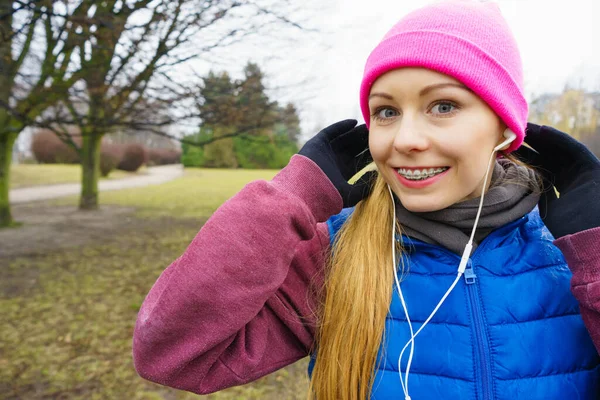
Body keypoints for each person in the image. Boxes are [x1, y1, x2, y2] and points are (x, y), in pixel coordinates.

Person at [132, 1, 600, 399]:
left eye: (443, 106)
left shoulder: (571, 257)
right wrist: (288, 199)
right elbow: (171, 355)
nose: (405, 139)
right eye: (386, 111)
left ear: (504, 125)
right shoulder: (335, 253)